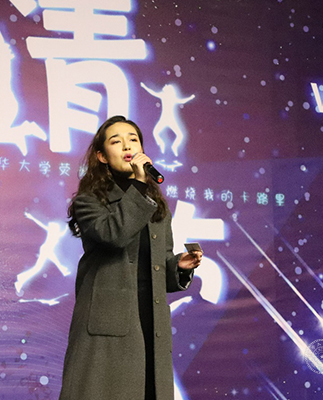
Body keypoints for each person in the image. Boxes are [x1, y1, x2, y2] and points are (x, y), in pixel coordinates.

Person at [59, 115, 202, 400]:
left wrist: (178, 267)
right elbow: (114, 234)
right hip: (107, 330)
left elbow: (157, 267)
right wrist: (139, 182)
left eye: (133, 139)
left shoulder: (155, 205)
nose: (127, 146)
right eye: (116, 141)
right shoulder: (89, 201)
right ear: (101, 156)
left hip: (150, 324)